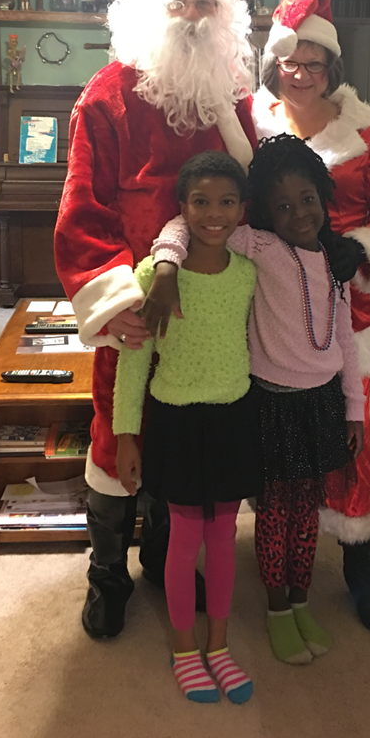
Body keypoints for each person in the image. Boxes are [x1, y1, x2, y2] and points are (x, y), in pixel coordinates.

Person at [53, 0, 258, 640]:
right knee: (119, 431)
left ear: (222, 16)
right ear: (153, 8)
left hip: (213, 303)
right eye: (181, 0)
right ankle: (107, 571)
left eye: (206, 3)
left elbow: (258, 198)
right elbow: (82, 207)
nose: (194, 16)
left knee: (188, 432)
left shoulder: (233, 102)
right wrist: (116, 299)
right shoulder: (108, 94)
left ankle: (166, 554)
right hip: (138, 301)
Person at [148, 134, 364, 665]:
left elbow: (346, 338)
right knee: (273, 511)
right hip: (271, 403)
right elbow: (187, 224)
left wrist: (354, 408)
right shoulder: (260, 247)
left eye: (307, 200)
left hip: (321, 404)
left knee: (307, 510)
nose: (299, 213)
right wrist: (167, 266)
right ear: (264, 212)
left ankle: (300, 598)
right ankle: (276, 608)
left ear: (323, 197)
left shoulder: (334, 261)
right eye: (283, 206)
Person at [251, 0, 370, 633]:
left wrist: (362, 247)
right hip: (270, 306)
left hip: (346, 309)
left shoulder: (363, 130)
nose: (300, 74)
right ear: (274, 63)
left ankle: (359, 564)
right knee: (276, 437)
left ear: (331, 67)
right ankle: (278, 553)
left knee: (349, 436)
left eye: (313, 63)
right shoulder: (251, 121)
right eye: (290, 61)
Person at [113, 152, 261, 704]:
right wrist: (126, 436)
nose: (213, 214)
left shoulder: (248, 274)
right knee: (184, 540)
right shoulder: (152, 276)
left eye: (226, 202)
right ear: (182, 207)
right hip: (175, 420)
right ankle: (183, 648)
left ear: (242, 210)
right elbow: (134, 361)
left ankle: (218, 645)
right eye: (201, 201)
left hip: (233, 418)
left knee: (223, 538)